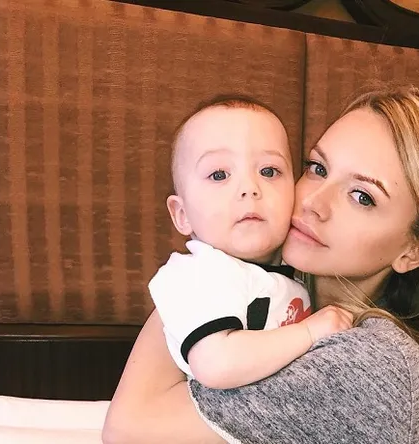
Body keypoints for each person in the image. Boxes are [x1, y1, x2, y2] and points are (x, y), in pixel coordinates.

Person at [103, 86, 419, 444]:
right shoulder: (286, 299)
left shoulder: (371, 365)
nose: (313, 203)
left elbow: (126, 427)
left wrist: (200, 268)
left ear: (413, 250)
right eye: (317, 168)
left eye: (362, 196)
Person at [149, 95, 351, 389]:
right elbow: (216, 364)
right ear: (182, 214)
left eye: (269, 171)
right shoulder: (198, 275)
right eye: (219, 175)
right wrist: (309, 332)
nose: (249, 188)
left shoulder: (293, 269)